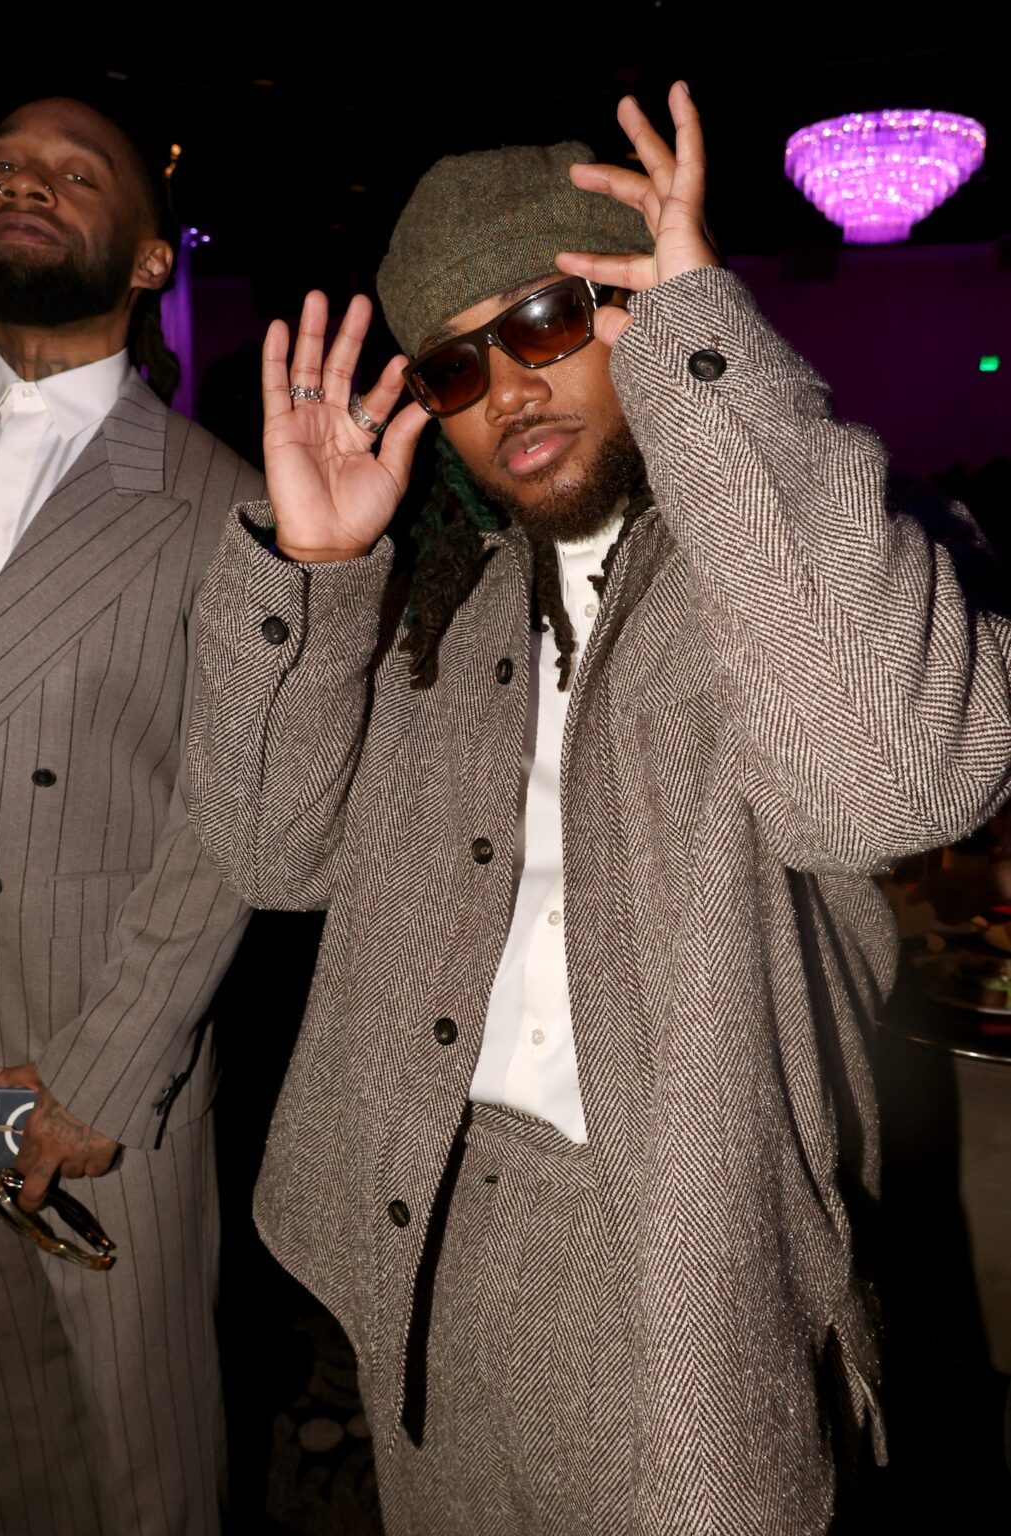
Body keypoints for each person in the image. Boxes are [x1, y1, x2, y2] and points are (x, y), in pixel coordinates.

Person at [185, 85, 1011, 1533]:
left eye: (549, 320)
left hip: (688, 1245)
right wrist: (312, 576)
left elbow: (882, 781)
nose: (508, 384)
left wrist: (712, 355)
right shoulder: (440, 611)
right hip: (426, 1234)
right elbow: (266, 847)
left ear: (652, 307)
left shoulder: (823, 557)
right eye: (451, 364)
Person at [0, 97, 261, 1535]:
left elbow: (232, 820)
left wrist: (102, 1079)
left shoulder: (211, 502)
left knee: (139, 1459)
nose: (23, 184)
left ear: (144, 260)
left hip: (73, 1070)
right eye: (1, 167)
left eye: (73, 172)